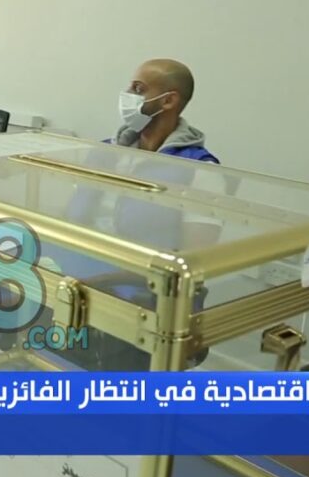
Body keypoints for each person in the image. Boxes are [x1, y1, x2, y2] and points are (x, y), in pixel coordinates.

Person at [56, 58, 231, 370]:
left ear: (168, 101)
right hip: (78, 283)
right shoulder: (107, 152)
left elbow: (192, 263)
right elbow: (70, 217)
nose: (128, 95)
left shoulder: (199, 171)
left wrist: (102, 279)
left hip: (143, 300)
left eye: (138, 89)